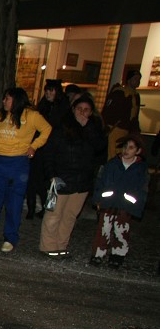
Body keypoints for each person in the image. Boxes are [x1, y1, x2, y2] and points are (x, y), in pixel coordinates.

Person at [0, 87, 52, 253]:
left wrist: (34, 146)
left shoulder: (31, 115)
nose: (4, 101)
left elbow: (47, 129)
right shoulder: (2, 115)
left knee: (14, 203)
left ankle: (10, 237)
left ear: (17, 100)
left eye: (7, 98)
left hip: (17, 163)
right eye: (4, 98)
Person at [38, 96, 105, 257]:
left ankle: (61, 245)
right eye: (79, 108)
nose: (82, 112)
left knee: (70, 215)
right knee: (54, 214)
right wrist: (52, 175)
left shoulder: (93, 129)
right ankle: (48, 246)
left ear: (91, 112)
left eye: (86, 109)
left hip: (82, 180)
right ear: (73, 109)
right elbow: (49, 153)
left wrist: (88, 127)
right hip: (61, 178)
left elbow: (100, 147)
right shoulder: (61, 128)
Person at [90, 135, 149, 269]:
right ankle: (98, 254)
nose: (126, 150)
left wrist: (137, 207)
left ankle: (118, 255)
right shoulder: (112, 164)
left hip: (126, 205)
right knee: (104, 229)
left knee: (121, 230)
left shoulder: (140, 169)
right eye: (125, 147)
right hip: (108, 202)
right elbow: (100, 181)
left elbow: (142, 190)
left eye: (131, 148)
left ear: (138, 151)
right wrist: (98, 199)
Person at [27, 79, 69, 219]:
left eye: (52, 90)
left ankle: (47, 208)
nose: (48, 93)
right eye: (47, 90)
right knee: (33, 180)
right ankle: (31, 209)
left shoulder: (63, 109)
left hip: (53, 150)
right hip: (39, 148)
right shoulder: (43, 107)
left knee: (46, 181)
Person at [101, 70, 142, 159]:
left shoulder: (135, 96)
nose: (137, 81)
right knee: (112, 154)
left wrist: (135, 130)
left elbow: (135, 116)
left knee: (122, 154)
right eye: (135, 78)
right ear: (129, 80)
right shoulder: (119, 93)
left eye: (139, 79)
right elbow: (107, 111)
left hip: (126, 130)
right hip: (115, 128)